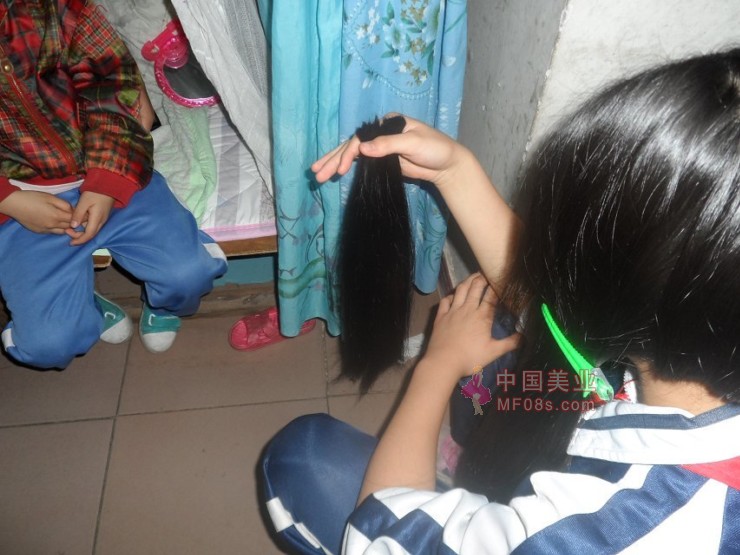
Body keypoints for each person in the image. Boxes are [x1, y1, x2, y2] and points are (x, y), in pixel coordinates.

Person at [260, 48, 740, 554]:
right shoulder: (709, 349)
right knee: (497, 330)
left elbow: (380, 538)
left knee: (301, 458)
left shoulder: (612, 533)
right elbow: (556, 309)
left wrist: (438, 365)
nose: (543, 255)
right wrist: (454, 170)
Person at [0, 0, 227, 368]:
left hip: (113, 167)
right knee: (47, 346)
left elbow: (115, 86)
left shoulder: (60, 8)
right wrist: (8, 199)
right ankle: (80, 305)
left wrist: (106, 182)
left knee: (188, 275)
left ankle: (161, 303)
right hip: (19, 207)